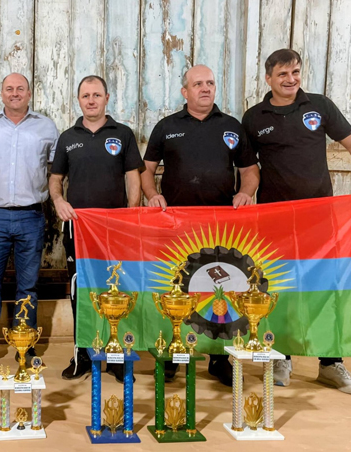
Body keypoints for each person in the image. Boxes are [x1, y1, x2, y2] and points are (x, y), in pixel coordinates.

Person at [142, 64, 260, 385]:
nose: (205, 88)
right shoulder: (167, 127)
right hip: (175, 225)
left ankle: (219, 358)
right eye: (198, 84)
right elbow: (146, 169)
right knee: (176, 289)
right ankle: (171, 353)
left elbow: (250, 171)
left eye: (210, 83)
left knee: (220, 290)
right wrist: (152, 195)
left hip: (221, 227)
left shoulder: (232, 126)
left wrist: (245, 193)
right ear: (185, 91)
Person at [242, 48, 351, 392]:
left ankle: (331, 363)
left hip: (320, 219)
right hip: (275, 220)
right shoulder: (253, 117)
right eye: (283, 74)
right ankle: (281, 358)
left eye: (295, 72)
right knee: (280, 289)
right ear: (268, 79)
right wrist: (244, 194)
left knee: (325, 289)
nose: (291, 80)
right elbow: (248, 168)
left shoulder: (320, 106)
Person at [50, 75, 144, 382]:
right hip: (79, 230)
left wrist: (131, 214)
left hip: (115, 229)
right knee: (81, 291)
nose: (91, 100)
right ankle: (83, 354)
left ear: (107, 98)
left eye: (96, 95)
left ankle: (116, 355)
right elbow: (55, 179)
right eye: (85, 95)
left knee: (117, 289)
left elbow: (133, 177)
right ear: (78, 100)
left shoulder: (123, 134)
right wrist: (58, 200)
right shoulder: (68, 137)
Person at [0, 73, 58, 370]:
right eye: (9, 88)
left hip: (31, 215)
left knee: (28, 286)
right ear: (2, 93)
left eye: (20, 88)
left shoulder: (46, 127)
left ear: (29, 93)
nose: (15, 93)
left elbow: (57, 168)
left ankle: (26, 344)